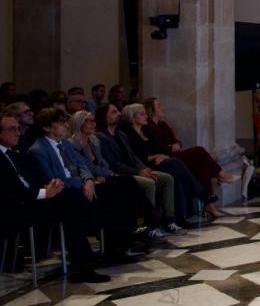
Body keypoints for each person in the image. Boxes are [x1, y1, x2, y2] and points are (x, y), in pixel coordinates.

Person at [0, 111, 111, 283]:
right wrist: (46, 191)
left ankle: (87, 260)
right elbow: (13, 191)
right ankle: (86, 259)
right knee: (71, 203)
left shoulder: (13, 153)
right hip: (15, 209)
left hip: (33, 199)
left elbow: (28, 183)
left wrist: (87, 179)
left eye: (17, 128)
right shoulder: (30, 151)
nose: (18, 132)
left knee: (82, 200)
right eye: (12, 129)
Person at [25, 108, 138, 264]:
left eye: (66, 122)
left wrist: (88, 180)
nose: (66, 126)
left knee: (120, 186)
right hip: (62, 193)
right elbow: (54, 180)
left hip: (81, 185)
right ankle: (110, 247)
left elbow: (82, 164)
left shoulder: (64, 143)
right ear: (46, 127)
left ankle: (118, 246)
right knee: (105, 199)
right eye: (60, 123)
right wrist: (83, 183)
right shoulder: (38, 150)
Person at [93, 102, 183, 232]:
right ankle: (152, 226)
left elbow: (133, 157)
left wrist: (144, 169)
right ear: (104, 117)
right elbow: (113, 163)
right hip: (119, 173)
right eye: (113, 112)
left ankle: (169, 220)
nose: (118, 114)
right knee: (148, 183)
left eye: (118, 111)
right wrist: (138, 171)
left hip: (134, 170)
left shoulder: (121, 134)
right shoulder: (100, 137)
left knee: (167, 178)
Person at [142, 97, 240, 212]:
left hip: (174, 154)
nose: (162, 108)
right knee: (199, 151)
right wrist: (170, 147)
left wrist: (177, 144)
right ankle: (221, 174)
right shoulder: (148, 126)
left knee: (201, 165)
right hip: (164, 158)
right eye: (158, 106)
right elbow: (155, 147)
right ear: (151, 110)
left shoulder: (163, 124)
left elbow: (176, 140)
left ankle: (209, 204)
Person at [120, 103, 209, 221]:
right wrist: (154, 156)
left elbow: (158, 149)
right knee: (175, 163)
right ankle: (201, 193)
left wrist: (161, 156)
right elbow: (133, 157)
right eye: (142, 114)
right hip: (144, 167)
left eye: (145, 113)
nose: (146, 116)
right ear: (132, 117)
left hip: (157, 163)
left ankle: (179, 217)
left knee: (177, 174)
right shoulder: (127, 134)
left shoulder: (146, 131)